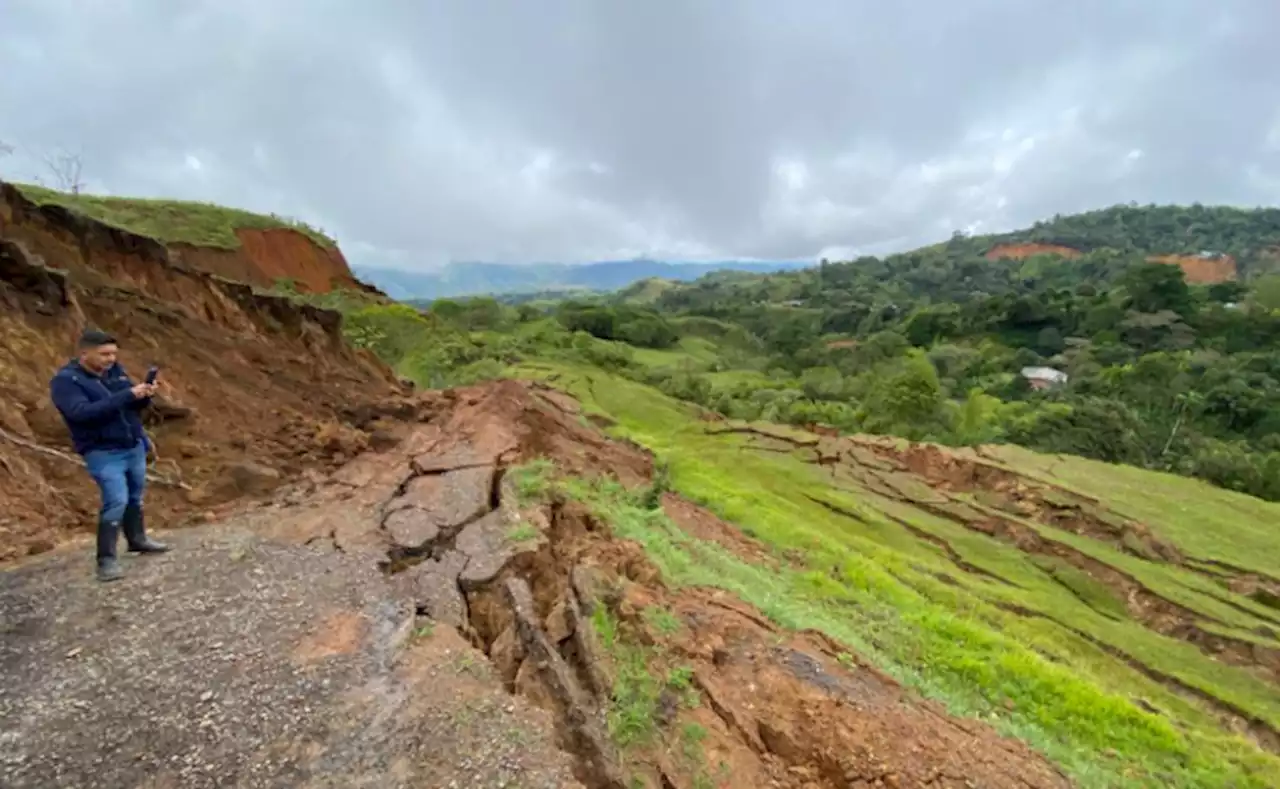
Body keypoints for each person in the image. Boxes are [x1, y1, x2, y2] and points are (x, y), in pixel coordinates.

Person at [49, 328, 170, 582]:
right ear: (84, 353)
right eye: (104, 354)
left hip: (132, 444)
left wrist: (144, 396)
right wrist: (127, 395)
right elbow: (81, 413)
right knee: (116, 500)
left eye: (113, 353)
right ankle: (106, 560)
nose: (110, 359)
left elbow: (130, 407)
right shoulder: (66, 381)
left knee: (135, 496)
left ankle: (137, 540)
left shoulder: (115, 373)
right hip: (102, 450)